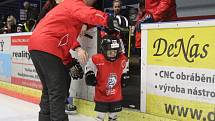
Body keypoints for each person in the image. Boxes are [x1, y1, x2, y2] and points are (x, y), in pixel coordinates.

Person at [28, 0, 128, 121]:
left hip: (37, 46)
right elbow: (89, 14)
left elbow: (61, 40)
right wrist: (110, 20)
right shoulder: (74, 3)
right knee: (58, 90)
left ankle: (44, 118)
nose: (93, 2)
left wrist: (69, 61)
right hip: (47, 46)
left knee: (49, 90)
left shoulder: (65, 12)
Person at [85, 35, 129, 121]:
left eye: (115, 52)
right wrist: (89, 74)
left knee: (113, 116)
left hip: (116, 95)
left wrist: (125, 75)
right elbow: (89, 65)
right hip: (101, 94)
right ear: (104, 51)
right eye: (110, 52)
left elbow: (125, 65)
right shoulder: (97, 59)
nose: (112, 54)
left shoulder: (122, 59)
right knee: (100, 116)